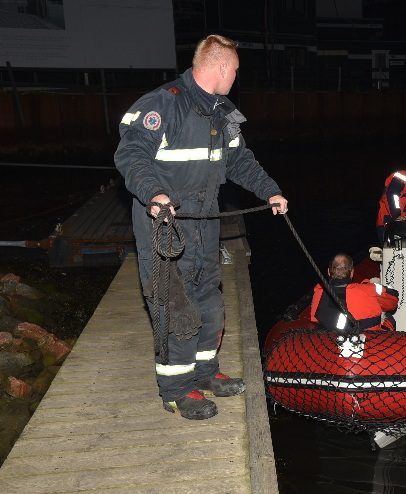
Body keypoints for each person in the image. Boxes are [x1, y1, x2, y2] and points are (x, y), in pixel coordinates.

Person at [114, 34, 288, 420]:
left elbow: (241, 161)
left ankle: (205, 372)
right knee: (174, 307)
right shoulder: (163, 104)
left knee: (208, 301)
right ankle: (176, 389)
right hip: (165, 228)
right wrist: (154, 193)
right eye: (236, 71)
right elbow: (131, 153)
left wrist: (271, 192)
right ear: (223, 67)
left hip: (205, 224)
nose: (236, 79)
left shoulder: (221, 112)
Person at [310, 253, 399, 332]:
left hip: (330, 342)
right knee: (389, 318)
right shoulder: (369, 290)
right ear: (352, 272)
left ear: (329, 272)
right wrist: (368, 284)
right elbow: (393, 302)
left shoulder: (318, 291)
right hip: (371, 343)